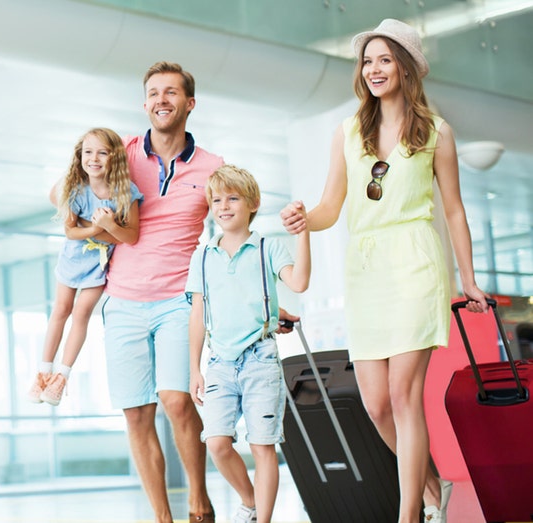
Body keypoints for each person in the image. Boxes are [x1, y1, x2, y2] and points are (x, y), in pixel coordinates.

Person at [280, 19, 488, 523]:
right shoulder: (348, 133)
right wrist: (307, 219)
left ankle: (408, 513)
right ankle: (435, 490)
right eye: (367, 61)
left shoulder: (437, 133)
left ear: (406, 67)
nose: (374, 69)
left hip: (416, 261)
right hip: (368, 269)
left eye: (384, 59)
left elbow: (454, 210)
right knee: (375, 405)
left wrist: (469, 277)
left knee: (403, 395)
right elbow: (332, 206)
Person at [92, 61, 298, 523]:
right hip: (122, 301)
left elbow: (233, 237)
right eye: (153, 92)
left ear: (189, 103)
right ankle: (163, 517)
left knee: (178, 401)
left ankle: (199, 498)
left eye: (171, 92)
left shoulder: (212, 168)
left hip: (177, 301)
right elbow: (67, 190)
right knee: (136, 414)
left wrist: (262, 301)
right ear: (144, 103)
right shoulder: (120, 152)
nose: (161, 99)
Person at [188, 165, 310, 523]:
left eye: (233, 198)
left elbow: (299, 282)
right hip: (219, 365)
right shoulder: (203, 256)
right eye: (216, 200)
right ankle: (251, 502)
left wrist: (303, 234)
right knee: (217, 443)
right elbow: (197, 315)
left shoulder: (267, 248)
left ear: (253, 203)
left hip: (260, 359)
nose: (223, 206)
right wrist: (194, 368)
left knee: (262, 446)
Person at [28, 127, 143, 406]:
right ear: (80, 156)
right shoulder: (77, 190)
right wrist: (99, 228)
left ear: (114, 157)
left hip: (97, 268)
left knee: (81, 314)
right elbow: (71, 232)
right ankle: (43, 373)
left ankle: (61, 377)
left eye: (102, 153)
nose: (94, 159)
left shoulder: (125, 193)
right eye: (88, 152)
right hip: (71, 260)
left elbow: (131, 236)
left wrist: (110, 226)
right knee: (61, 311)